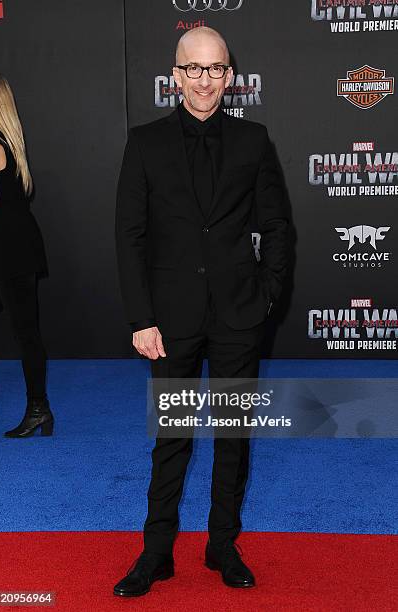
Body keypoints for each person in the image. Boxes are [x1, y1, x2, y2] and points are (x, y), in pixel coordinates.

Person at [114, 27, 288, 596]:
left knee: (233, 438)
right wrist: (142, 318)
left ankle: (222, 545)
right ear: (175, 76)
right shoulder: (145, 142)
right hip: (170, 319)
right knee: (173, 438)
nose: (205, 79)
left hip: (239, 314)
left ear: (230, 76)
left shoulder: (255, 140)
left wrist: (267, 297)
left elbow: (277, 225)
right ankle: (157, 552)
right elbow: (130, 236)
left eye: (216, 69)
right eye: (194, 68)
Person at [0, 71, 53, 437]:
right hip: (10, 249)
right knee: (26, 331)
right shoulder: (8, 141)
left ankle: (39, 409)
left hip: (9, 253)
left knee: (27, 332)